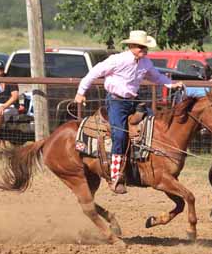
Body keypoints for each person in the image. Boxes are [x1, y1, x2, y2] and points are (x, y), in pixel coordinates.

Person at [75, 30, 184, 194]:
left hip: (132, 101)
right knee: (119, 134)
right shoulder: (117, 60)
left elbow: (156, 76)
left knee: (154, 123)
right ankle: (116, 175)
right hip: (116, 101)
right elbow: (95, 72)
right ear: (131, 46)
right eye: (141, 47)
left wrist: (171, 84)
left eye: (145, 48)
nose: (144, 50)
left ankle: (148, 162)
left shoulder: (145, 63)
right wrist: (81, 92)